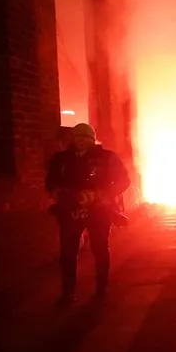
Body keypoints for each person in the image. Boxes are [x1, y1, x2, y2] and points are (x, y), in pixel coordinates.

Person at [45, 123, 131, 305]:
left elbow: (124, 180)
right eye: (78, 137)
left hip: (99, 210)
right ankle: (68, 293)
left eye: (85, 137)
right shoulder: (61, 160)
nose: (81, 140)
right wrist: (60, 193)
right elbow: (51, 181)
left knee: (99, 248)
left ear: (92, 139)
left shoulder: (107, 158)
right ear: (73, 139)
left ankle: (102, 287)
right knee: (68, 252)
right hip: (70, 211)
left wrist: (105, 194)